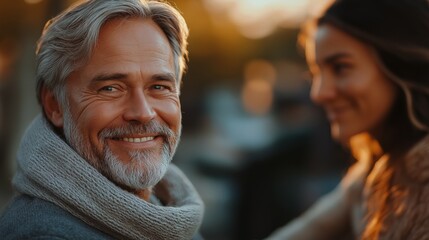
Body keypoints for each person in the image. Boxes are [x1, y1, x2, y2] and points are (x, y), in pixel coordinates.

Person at [0, 0, 205, 239]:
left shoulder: (169, 210)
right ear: (54, 104)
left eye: (159, 86)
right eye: (110, 88)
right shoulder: (43, 234)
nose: (143, 112)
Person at [267, 0, 429, 239]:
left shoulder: (419, 181)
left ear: (399, 65)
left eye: (341, 68)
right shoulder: (372, 174)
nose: (318, 93)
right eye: (316, 73)